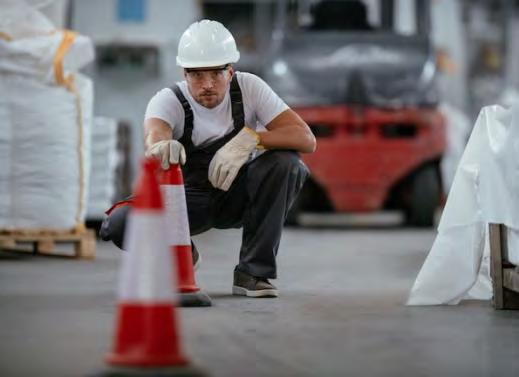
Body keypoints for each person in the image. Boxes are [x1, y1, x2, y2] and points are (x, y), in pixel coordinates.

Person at [100, 20, 316, 298]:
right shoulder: (169, 100)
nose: (207, 85)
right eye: (197, 75)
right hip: (187, 205)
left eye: (216, 74)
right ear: (184, 73)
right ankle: (182, 254)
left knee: (287, 164)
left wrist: (253, 138)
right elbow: (155, 132)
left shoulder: (250, 88)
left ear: (230, 70)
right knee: (119, 222)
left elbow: (305, 138)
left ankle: (253, 274)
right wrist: (161, 145)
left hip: (238, 196)